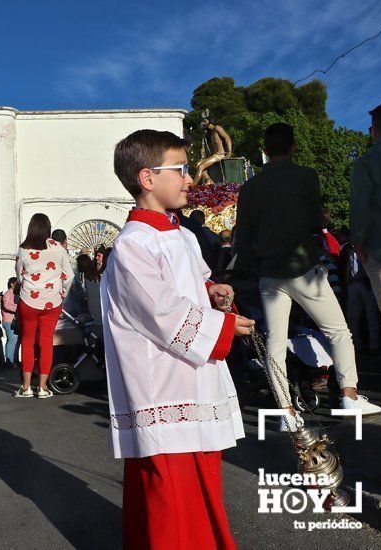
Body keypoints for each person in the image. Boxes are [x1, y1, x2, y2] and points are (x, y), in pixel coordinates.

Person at [103, 129, 254, 549]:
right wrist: (223, 329)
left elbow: (191, 285)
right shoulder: (133, 245)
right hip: (162, 386)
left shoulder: (183, 235)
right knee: (170, 493)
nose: (191, 179)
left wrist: (213, 293)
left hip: (193, 378)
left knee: (200, 484)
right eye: (182, 170)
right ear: (147, 178)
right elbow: (161, 311)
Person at [235, 123, 381, 417]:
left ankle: (285, 409)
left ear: (265, 151)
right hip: (303, 267)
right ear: (293, 147)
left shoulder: (250, 188)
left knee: (275, 340)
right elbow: (312, 219)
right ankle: (349, 395)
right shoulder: (306, 176)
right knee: (339, 331)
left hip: (269, 273)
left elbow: (244, 235)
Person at [14, 213, 73, 399]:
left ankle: (26, 387)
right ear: (48, 228)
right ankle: (43, 387)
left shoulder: (23, 249)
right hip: (52, 301)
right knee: (46, 342)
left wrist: (26, 287)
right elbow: (69, 275)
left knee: (28, 341)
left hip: (28, 301)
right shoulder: (57, 248)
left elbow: (19, 274)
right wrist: (61, 292)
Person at [351, 102, 381, 339]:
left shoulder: (366, 162)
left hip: (380, 247)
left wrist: (359, 243)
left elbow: (360, 206)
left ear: (373, 129)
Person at [1, 277, 19, 367]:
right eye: (17, 283)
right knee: (12, 340)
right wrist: (18, 308)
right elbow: (7, 305)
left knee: (13, 340)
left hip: (13, 321)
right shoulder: (8, 294)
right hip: (9, 321)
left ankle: (13, 359)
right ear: (12, 284)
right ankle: (9, 361)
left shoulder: (15, 294)